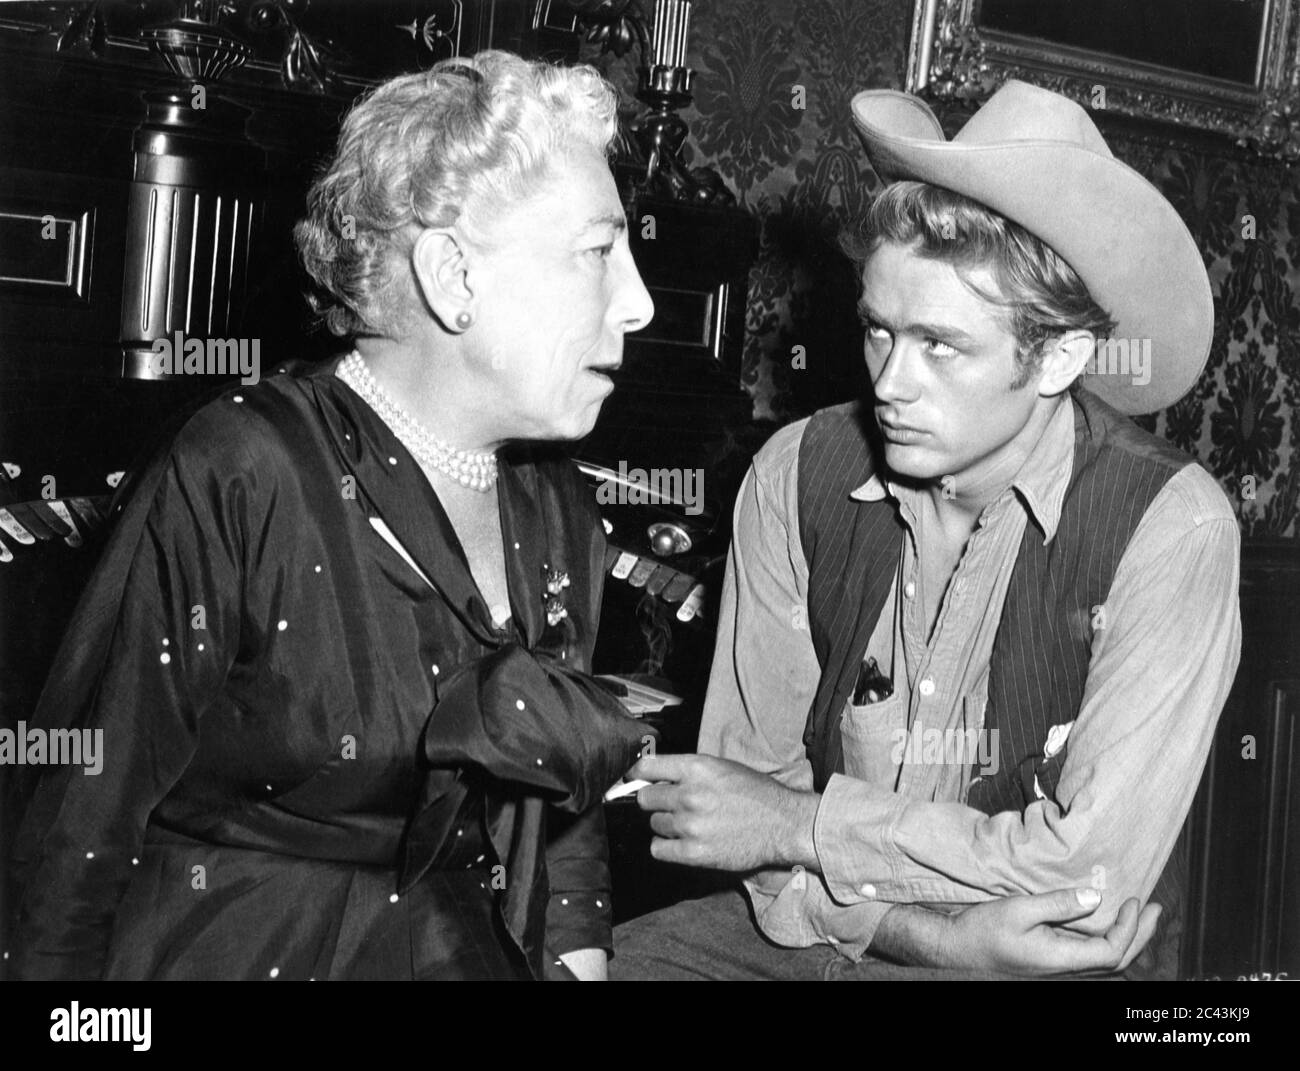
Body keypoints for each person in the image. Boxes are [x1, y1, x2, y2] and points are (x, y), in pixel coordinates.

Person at [7, 50, 655, 981]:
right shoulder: (243, 470)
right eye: (598, 252)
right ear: (451, 276)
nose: (637, 303)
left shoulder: (558, 505)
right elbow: (76, 837)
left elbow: (563, 822)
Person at [612, 80, 1240, 980]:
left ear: (1059, 355)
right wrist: (933, 935)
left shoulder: (1171, 528)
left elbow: (1078, 878)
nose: (890, 383)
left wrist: (799, 825)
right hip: (811, 933)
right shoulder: (794, 472)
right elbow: (734, 820)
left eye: (940, 345)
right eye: (878, 330)